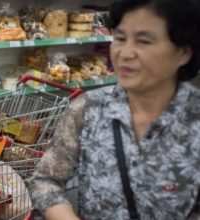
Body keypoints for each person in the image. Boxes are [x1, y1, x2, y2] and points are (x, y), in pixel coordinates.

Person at [27, 0, 200, 219]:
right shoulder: (88, 109)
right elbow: (46, 180)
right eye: (119, 38)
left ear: (183, 53)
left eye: (144, 41)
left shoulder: (194, 118)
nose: (125, 53)